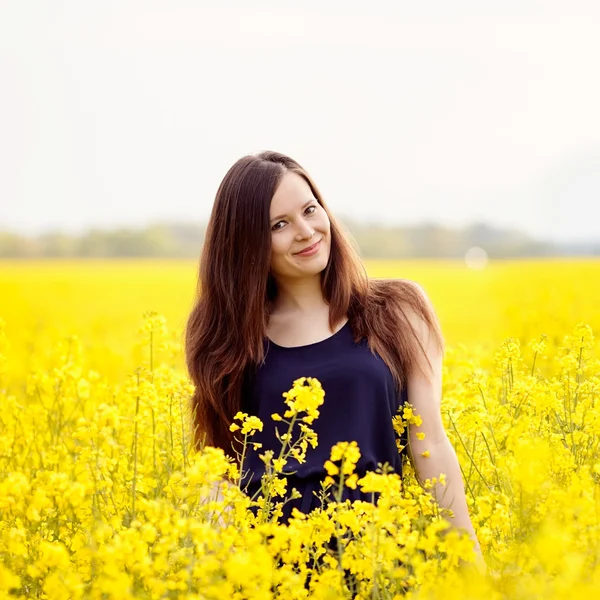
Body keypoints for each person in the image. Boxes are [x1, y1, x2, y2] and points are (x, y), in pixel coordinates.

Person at [184, 150, 485, 574]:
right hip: (273, 570)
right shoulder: (227, 340)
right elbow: (221, 473)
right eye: (279, 225)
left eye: (310, 210)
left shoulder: (397, 310)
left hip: (380, 561)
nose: (306, 232)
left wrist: (471, 564)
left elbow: (430, 444)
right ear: (246, 244)